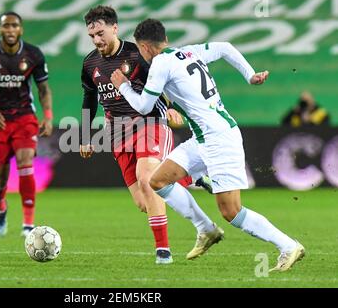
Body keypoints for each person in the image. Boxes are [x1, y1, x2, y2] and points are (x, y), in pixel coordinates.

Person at [111, 18, 305, 272]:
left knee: (231, 211)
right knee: (157, 180)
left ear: (145, 47)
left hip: (219, 139)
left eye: (140, 49)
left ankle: (288, 246)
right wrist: (249, 75)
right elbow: (224, 47)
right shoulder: (188, 52)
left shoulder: (160, 62)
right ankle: (206, 229)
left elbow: (144, 106)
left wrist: (123, 86)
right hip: (203, 138)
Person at [80, 6, 223, 264]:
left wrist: (169, 107)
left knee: (147, 180)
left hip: (149, 123)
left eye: (101, 33)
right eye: (92, 36)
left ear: (115, 28)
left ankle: (163, 252)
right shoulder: (90, 63)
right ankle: (188, 177)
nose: (97, 40)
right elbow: (89, 98)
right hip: (117, 133)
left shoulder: (137, 54)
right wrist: (84, 134)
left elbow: (165, 80)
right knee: (144, 202)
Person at [0, 11, 53, 237]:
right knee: (0, 178)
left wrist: (48, 116)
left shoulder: (34, 54)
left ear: (21, 29)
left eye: (14, 26)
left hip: (24, 117)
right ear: (0, 29)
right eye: (6, 26)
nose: (10, 30)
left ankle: (28, 223)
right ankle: (0, 207)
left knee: (26, 162)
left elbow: (43, 89)